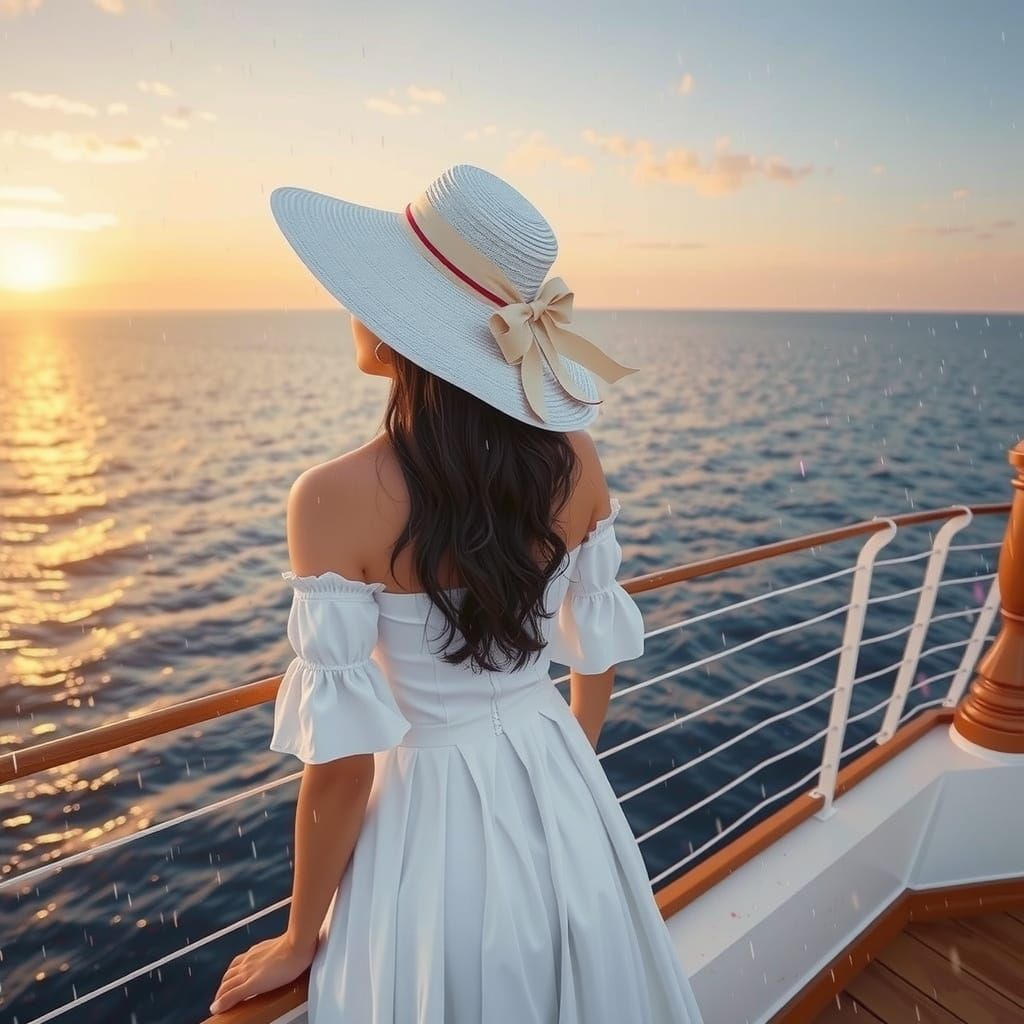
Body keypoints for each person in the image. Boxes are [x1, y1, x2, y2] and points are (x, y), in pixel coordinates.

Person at [210, 164, 704, 1022]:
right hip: (559, 777)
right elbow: (595, 656)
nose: (352, 306)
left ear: (409, 332)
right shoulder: (576, 460)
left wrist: (298, 938)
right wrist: (569, 764)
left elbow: (342, 766)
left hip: (429, 817)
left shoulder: (329, 499)